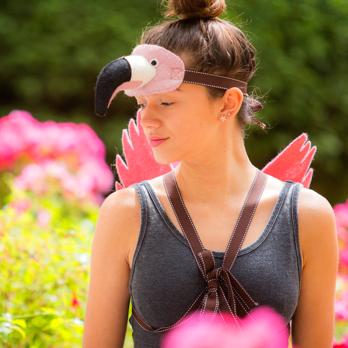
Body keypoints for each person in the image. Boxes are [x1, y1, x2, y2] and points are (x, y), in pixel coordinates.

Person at [82, 1, 339, 347]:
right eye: (142, 104)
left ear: (229, 103)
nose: (147, 120)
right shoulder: (126, 214)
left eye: (167, 102)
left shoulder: (307, 217)